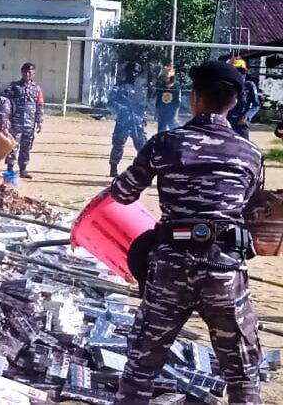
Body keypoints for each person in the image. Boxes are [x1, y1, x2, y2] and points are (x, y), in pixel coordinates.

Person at [110, 60, 262, 405]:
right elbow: (247, 206)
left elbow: (123, 194)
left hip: (171, 270)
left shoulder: (165, 143)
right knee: (241, 373)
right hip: (224, 271)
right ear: (236, 102)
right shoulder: (250, 154)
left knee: (141, 368)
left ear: (193, 99)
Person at [4, 63, 44, 179]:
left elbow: (39, 105)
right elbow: (6, 103)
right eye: (25, 72)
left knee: (26, 147)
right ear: (21, 72)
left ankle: (23, 170)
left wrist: (39, 121)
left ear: (34, 74)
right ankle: (10, 170)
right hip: (15, 122)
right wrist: (6, 119)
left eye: (30, 72)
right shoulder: (14, 86)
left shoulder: (37, 88)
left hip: (29, 124)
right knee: (12, 146)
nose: (27, 74)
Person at [108, 62, 148, 178]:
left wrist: (143, 117)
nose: (133, 74)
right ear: (127, 72)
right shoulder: (119, 86)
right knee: (118, 144)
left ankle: (143, 170)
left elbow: (144, 106)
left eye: (136, 72)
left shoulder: (140, 89)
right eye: (131, 71)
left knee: (143, 147)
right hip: (123, 121)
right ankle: (113, 168)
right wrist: (123, 109)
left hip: (137, 121)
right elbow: (111, 102)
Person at [227, 58, 260, 140]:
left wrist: (247, 116)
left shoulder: (250, 85)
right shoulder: (224, 86)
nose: (238, 73)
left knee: (243, 149)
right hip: (225, 123)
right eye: (234, 71)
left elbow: (256, 105)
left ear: (245, 72)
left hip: (241, 124)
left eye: (241, 71)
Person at [152, 66, 182, 134]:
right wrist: (157, 112)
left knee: (173, 131)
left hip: (171, 113)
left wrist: (175, 115)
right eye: (164, 76)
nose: (165, 78)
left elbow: (177, 102)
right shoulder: (161, 86)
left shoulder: (176, 86)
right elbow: (158, 100)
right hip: (162, 113)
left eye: (167, 76)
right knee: (161, 132)